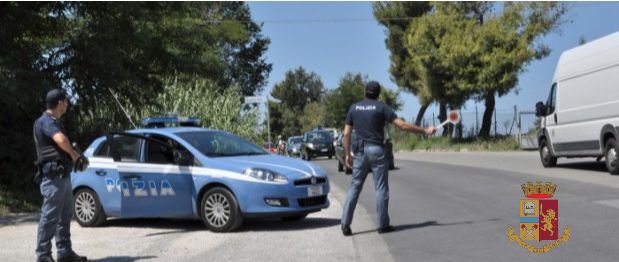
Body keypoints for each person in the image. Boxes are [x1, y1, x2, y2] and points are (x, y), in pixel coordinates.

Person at [340, 81, 437, 236]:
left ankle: (345, 223)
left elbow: (346, 134)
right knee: (380, 188)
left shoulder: (354, 108)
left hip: (360, 151)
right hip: (377, 150)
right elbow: (403, 126)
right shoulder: (382, 107)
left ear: (365, 93)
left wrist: (347, 154)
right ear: (379, 94)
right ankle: (382, 225)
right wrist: (425, 130)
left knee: (354, 187)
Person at [34, 89, 88, 262]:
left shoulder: (54, 122)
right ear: (59, 103)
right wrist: (73, 155)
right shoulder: (46, 121)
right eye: (66, 101)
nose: (68, 104)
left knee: (64, 217)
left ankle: (64, 253)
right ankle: (43, 256)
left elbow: (59, 149)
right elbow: (61, 140)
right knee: (50, 217)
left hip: (62, 176)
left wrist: (75, 161)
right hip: (53, 179)